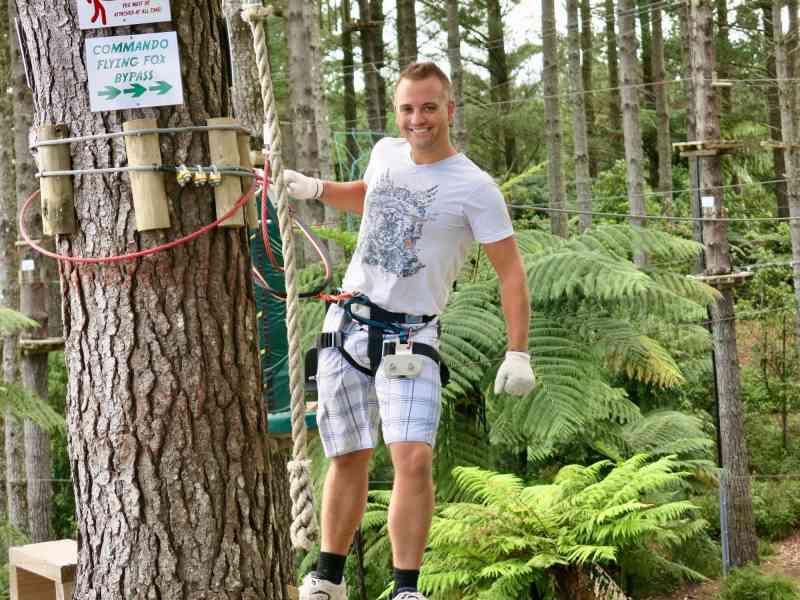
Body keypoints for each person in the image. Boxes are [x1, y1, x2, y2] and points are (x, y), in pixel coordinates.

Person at [285, 62, 535, 600]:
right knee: (348, 452)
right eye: (407, 108)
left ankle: (405, 588)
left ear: (449, 109)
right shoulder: (386, 153)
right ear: (396, 112)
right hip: (348, 323)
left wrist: (519, 351)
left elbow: (511, 271)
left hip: (412, 336)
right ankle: (328, 577)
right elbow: (370, 197)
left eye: (428, 107)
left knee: (413, 456)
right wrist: (317, 188)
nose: (417, 119)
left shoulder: (475, 187)